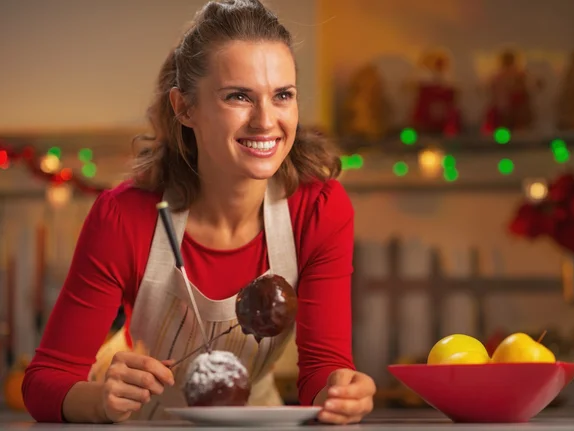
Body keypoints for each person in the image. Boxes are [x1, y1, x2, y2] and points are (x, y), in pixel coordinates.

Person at [22, 0, 376, 425]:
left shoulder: (319, 209)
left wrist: (341, 392)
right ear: (184, 108)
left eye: (283, 95)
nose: (266, 121)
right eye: (238, 96)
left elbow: (321, 370)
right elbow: (43, 383)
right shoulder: (124, 217)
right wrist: (99, 400)